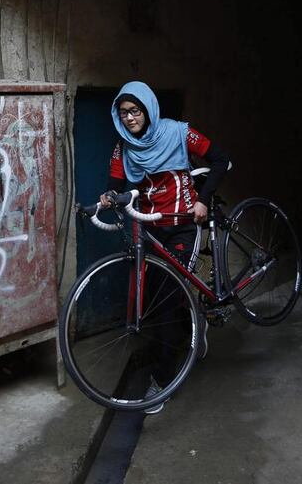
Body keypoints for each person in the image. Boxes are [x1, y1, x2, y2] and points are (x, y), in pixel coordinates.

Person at [99, 81, 230, 414]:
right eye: (123, 112)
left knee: (168, 299)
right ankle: (193, 328)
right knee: (158, 301)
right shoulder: (124, 146)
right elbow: (115, 185)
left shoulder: (178, 133)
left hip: (183, 224)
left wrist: (203, 200)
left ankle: (162, 383)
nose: (129, 118)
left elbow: (219, 160)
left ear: (148, 109)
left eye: (135, 111)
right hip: (151, 228)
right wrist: (107, 198)